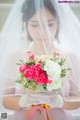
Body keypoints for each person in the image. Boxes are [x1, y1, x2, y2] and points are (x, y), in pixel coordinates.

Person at [0, 0, 80, 120]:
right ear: (26, 24)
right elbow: (5, 101)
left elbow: (78, 100)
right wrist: (23, 101)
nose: (42, 31)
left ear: (58, 23)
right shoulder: (15, 57)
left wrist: (59, 102)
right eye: (35, 25)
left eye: (49, 24)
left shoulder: (69, 57)